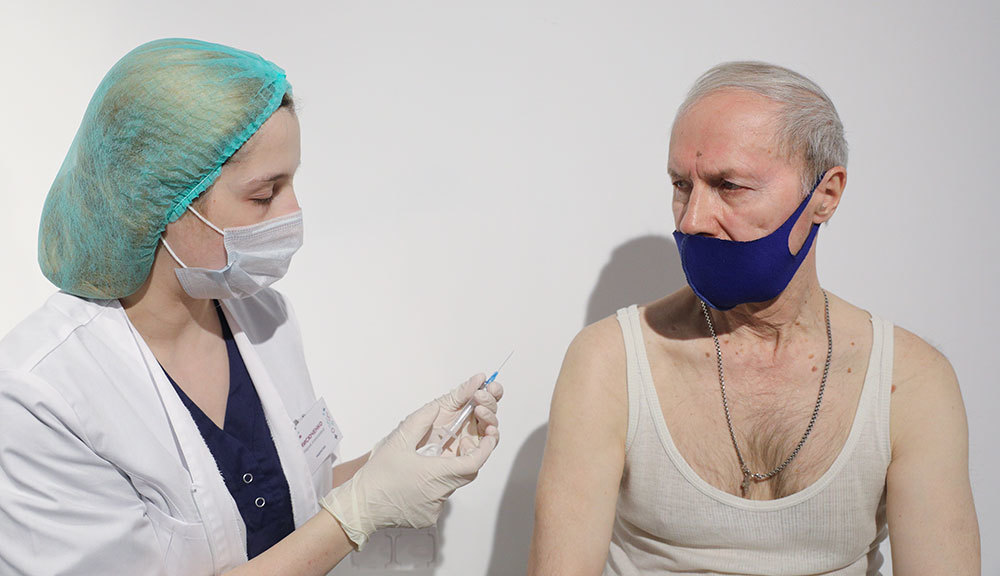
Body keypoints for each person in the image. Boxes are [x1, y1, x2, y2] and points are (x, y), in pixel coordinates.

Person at [0, 38, 502, 575]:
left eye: (293, 183)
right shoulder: (40, 396)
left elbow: (282, 509)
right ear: (158, 198)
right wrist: (357, 513)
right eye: (265, 194)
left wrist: (395, 464)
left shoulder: (264, 318)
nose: (293, 211)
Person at [529, 62, 980, 575]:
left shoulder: (909, 381)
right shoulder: (609, 364)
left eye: (730, 186)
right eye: (682, 184)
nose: (693, 220)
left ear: (826, 195)